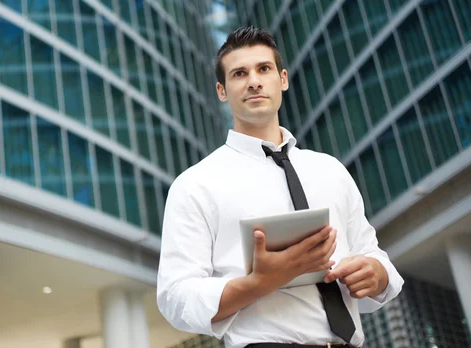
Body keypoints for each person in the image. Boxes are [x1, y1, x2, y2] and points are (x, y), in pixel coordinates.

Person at [156, 26, 404, 348]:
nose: (254, 81)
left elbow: (371, 253)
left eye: (264, 69)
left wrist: (376, 272)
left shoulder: (330, 169)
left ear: (283, 79)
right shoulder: (195, 184)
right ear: (222, 90)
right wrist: (259, 283)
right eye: (239, 74)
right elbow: (175, 297)